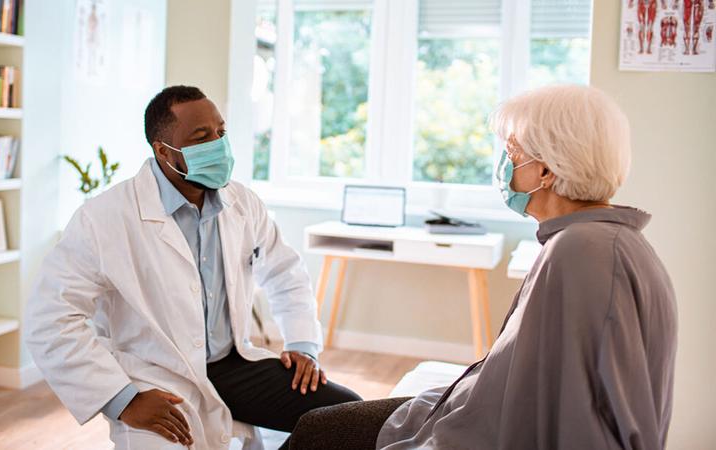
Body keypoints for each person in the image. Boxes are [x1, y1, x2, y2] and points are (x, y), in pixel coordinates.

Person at [286, 84, 678, 450]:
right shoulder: (602, 241)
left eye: (512, 156)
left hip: (481, 427)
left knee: (316, 431)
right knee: (322, 423)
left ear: (546, 171)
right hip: (475, 404)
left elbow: (581, 418)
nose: (506, 168)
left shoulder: (581, 252)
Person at [25, 85, 361, 450]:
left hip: (234, 365)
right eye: (202, 138)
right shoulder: (103, 218)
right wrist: (123, 399)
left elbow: (285, 272)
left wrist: (302, 345)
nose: (218, 144)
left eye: (221, 133)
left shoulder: (242, 203)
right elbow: (50, 319)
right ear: (164, 150)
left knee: (349, 420)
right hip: (156, 375)